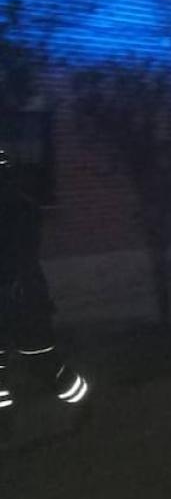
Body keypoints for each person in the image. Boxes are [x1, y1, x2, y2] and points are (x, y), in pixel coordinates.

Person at [1, 147, 89, 436]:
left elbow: (21, 253)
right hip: (16, 296)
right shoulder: (21, 205)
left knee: (41, 361)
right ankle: (4, 425)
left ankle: (81, 402)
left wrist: (17, 284)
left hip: (24, 299)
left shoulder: (20, 208)